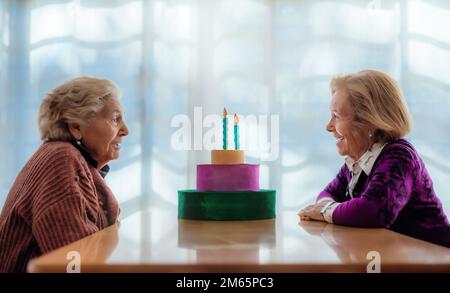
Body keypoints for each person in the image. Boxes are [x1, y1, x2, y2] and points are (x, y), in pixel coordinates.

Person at [298, 70, 450, 248]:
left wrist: (325, 210)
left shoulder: (399, 158)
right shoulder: (359, 160)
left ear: (369, 122)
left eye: (337, 116)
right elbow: (328, 193)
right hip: (397, 259)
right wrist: (327, 207)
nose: (328, 126)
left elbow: (373, 211)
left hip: (435, 261)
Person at [0, 76, 129, 272]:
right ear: (76, 126)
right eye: (115, 119)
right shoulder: (60, 160)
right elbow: (75, 264)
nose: (125, 130)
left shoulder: (65, 157)